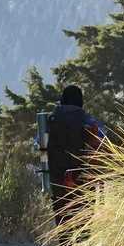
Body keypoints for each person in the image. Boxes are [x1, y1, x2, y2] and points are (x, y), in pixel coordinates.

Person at [46, 84, 105, 230]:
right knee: (84, 226)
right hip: (83, 180)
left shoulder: (51, 120)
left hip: (58, 179)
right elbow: (102, 143)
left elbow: (38, 144)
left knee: (63, 226)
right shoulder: (88, 121)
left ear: (63, 100)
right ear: (81, 101)